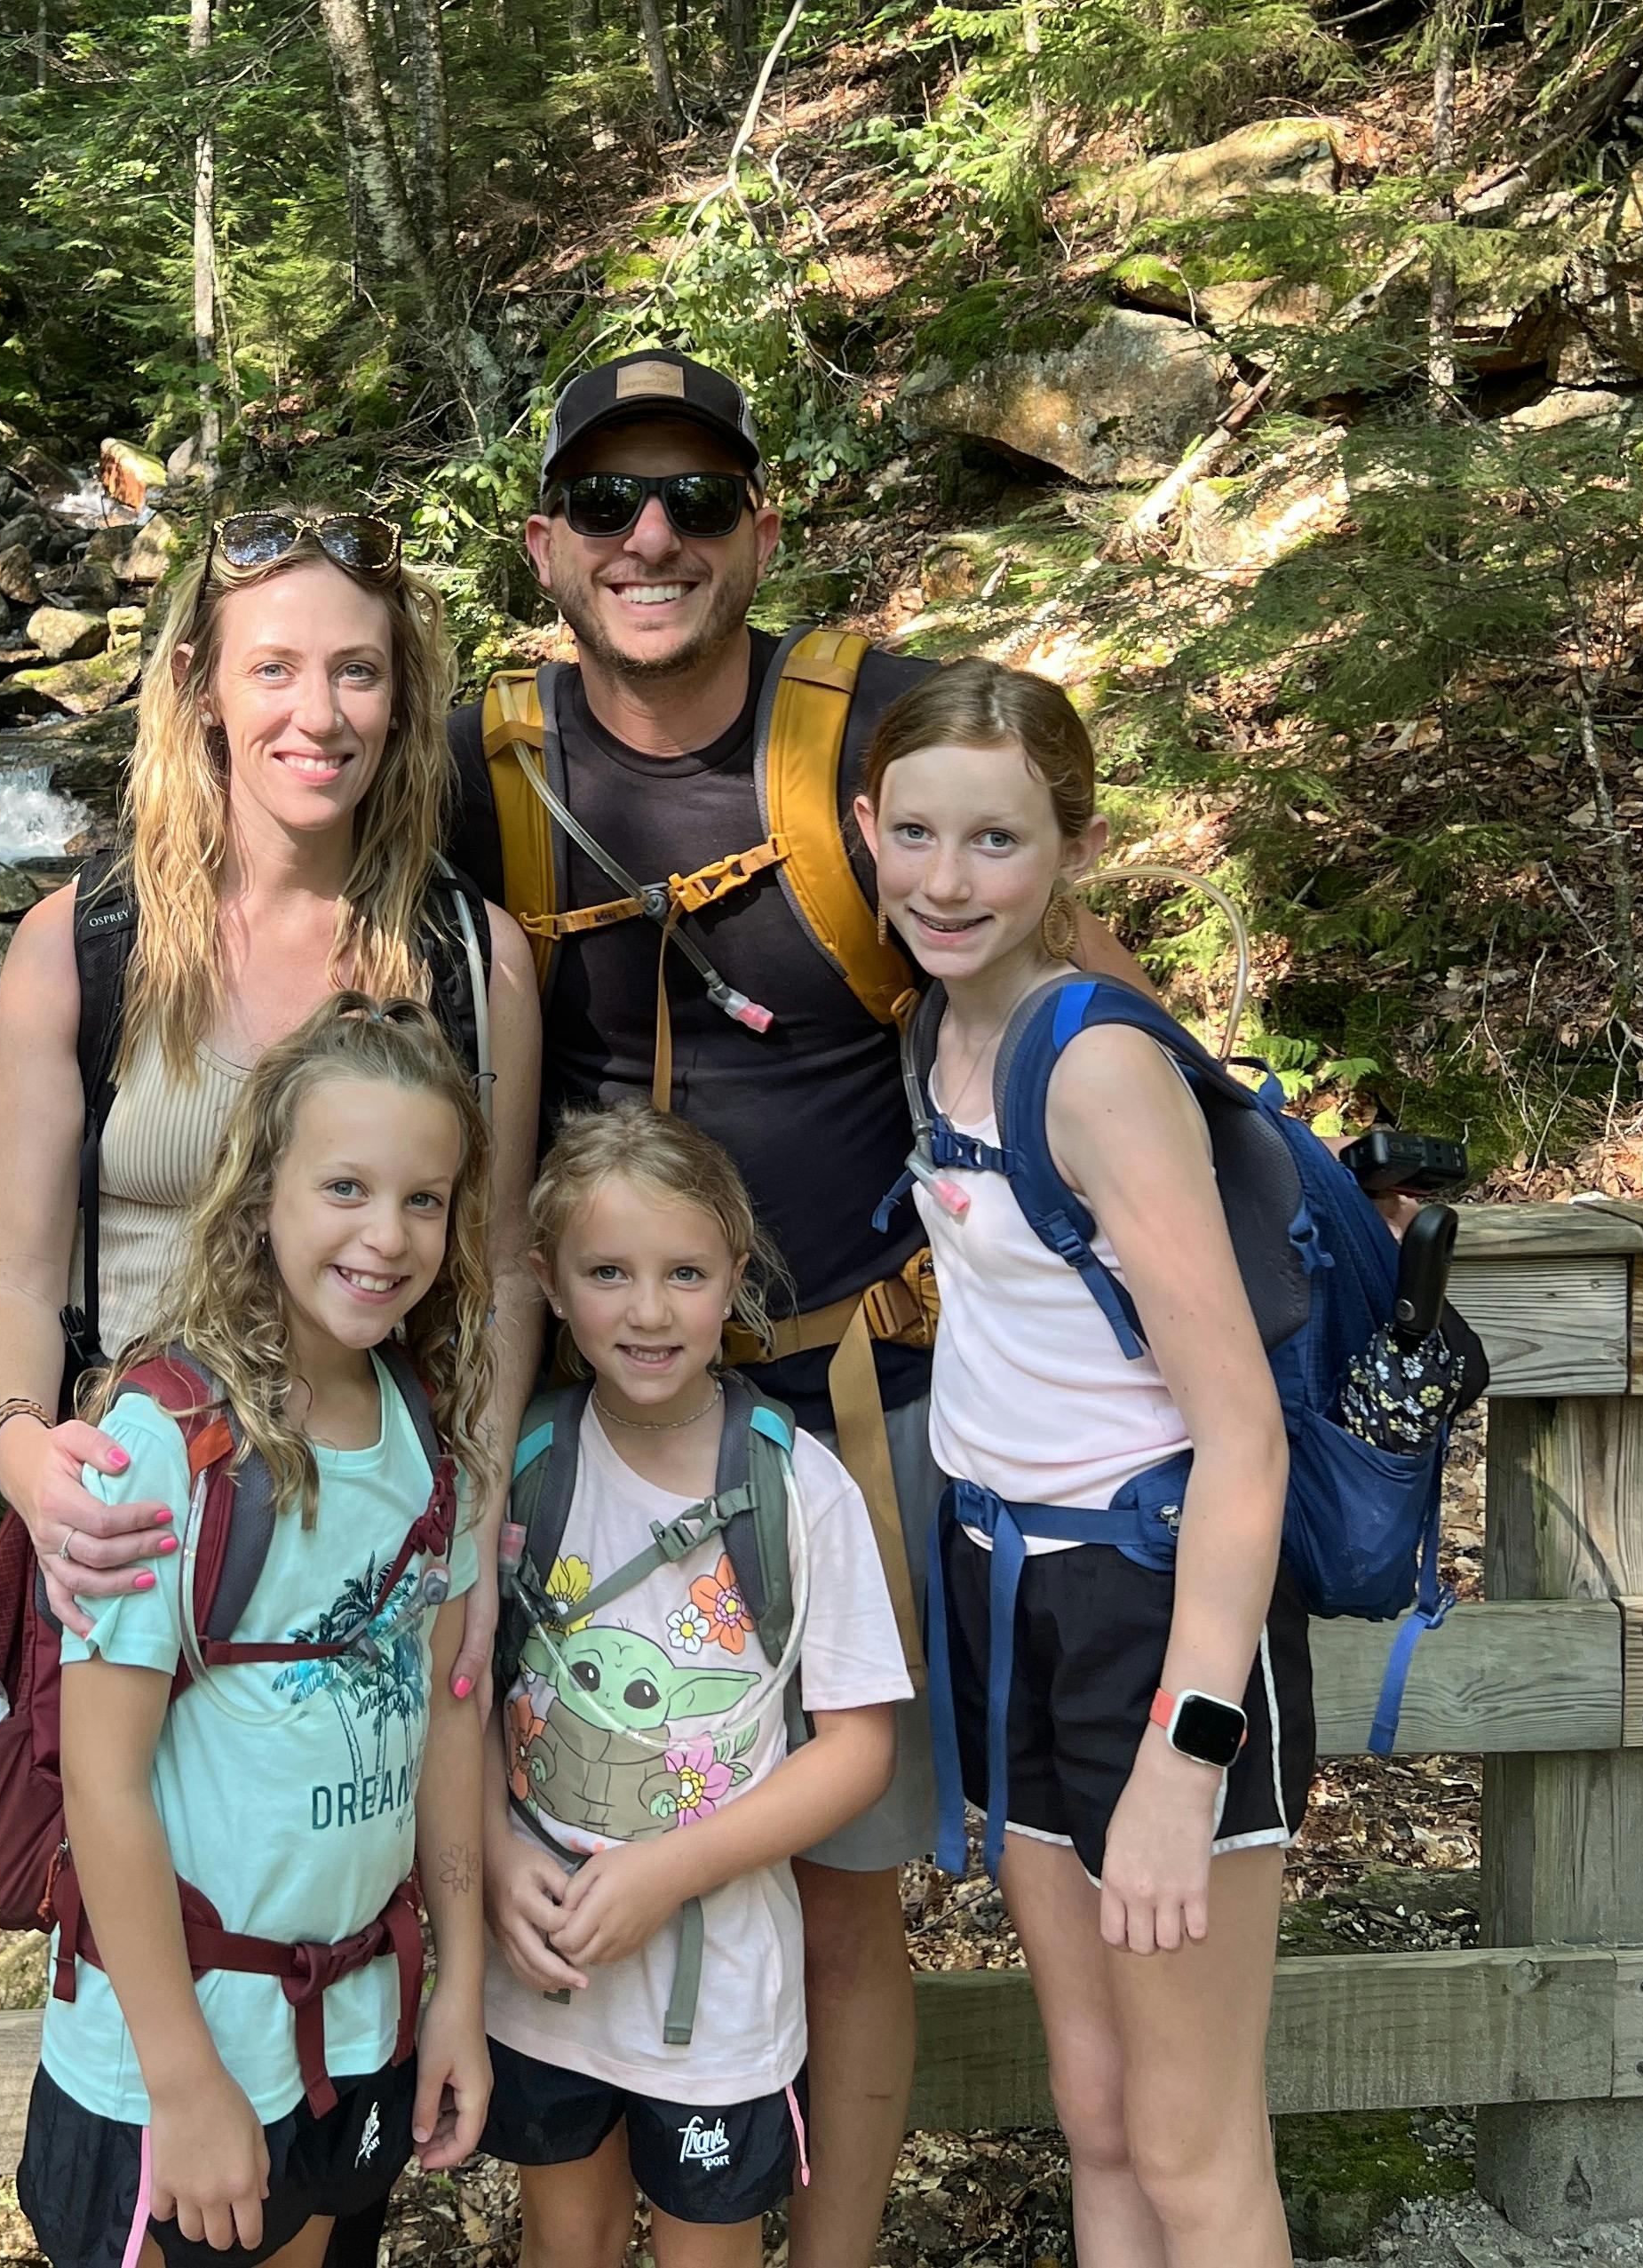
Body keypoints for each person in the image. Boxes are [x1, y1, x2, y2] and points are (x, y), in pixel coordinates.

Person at [447, 349, 1154, 2264]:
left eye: (690, 494)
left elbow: (1056, 962)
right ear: (547, 544)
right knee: (574, 1813)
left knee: (845, 1880)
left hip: (865, 1400)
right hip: (591, 1422)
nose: (649, 534)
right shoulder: (487, 760)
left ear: (764, 523)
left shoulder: (868, 727)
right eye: (606, 502)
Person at [854, 661, 1307, 2266]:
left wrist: (1190, 1758)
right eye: (917, 833)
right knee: (1096, 2109)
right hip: (1003, 1587)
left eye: (998, 839)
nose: (948, 879)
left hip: (1151, 1599)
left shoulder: (1095, 1064)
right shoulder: (937, 1032)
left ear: (1073, 848)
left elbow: (1242, 1431)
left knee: (1192, 2145)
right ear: (867, 826)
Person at [0, 504, 540, 1698]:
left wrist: (473, 1521)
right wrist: (31, 1458)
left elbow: (504, 1271)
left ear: (401, 695)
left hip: (383, 1550)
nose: (319, 715)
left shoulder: (470, 963)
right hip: (142, 1543)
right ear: (201, 687)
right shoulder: (81, 949)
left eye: (357, 672)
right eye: (272, 667)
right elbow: (15, 1275)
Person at [15, 994, 497, 2268]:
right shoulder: (166, 1445)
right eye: (344, 1185)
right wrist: (183, 2080)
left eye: (425, 1199)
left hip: (355, 2034)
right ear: (262, 1190)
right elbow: (103, 1782)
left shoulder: (427, 1433)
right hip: (179, 2060)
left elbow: (446, 1726)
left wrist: (455, 1989)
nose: (386, 1236)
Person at [481, 1102, 909, 2268]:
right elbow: (463, 1693)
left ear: (736, 1275)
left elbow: (859, 1745)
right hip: (548, 1976)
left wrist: (670, 1869)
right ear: (551, 1284)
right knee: (561, 2240)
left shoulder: (796, 1484)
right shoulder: (527, 1467)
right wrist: (494, 1849)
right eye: (609, 1271)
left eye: (683, 1271)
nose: (650, 1307)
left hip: (718, 1993)